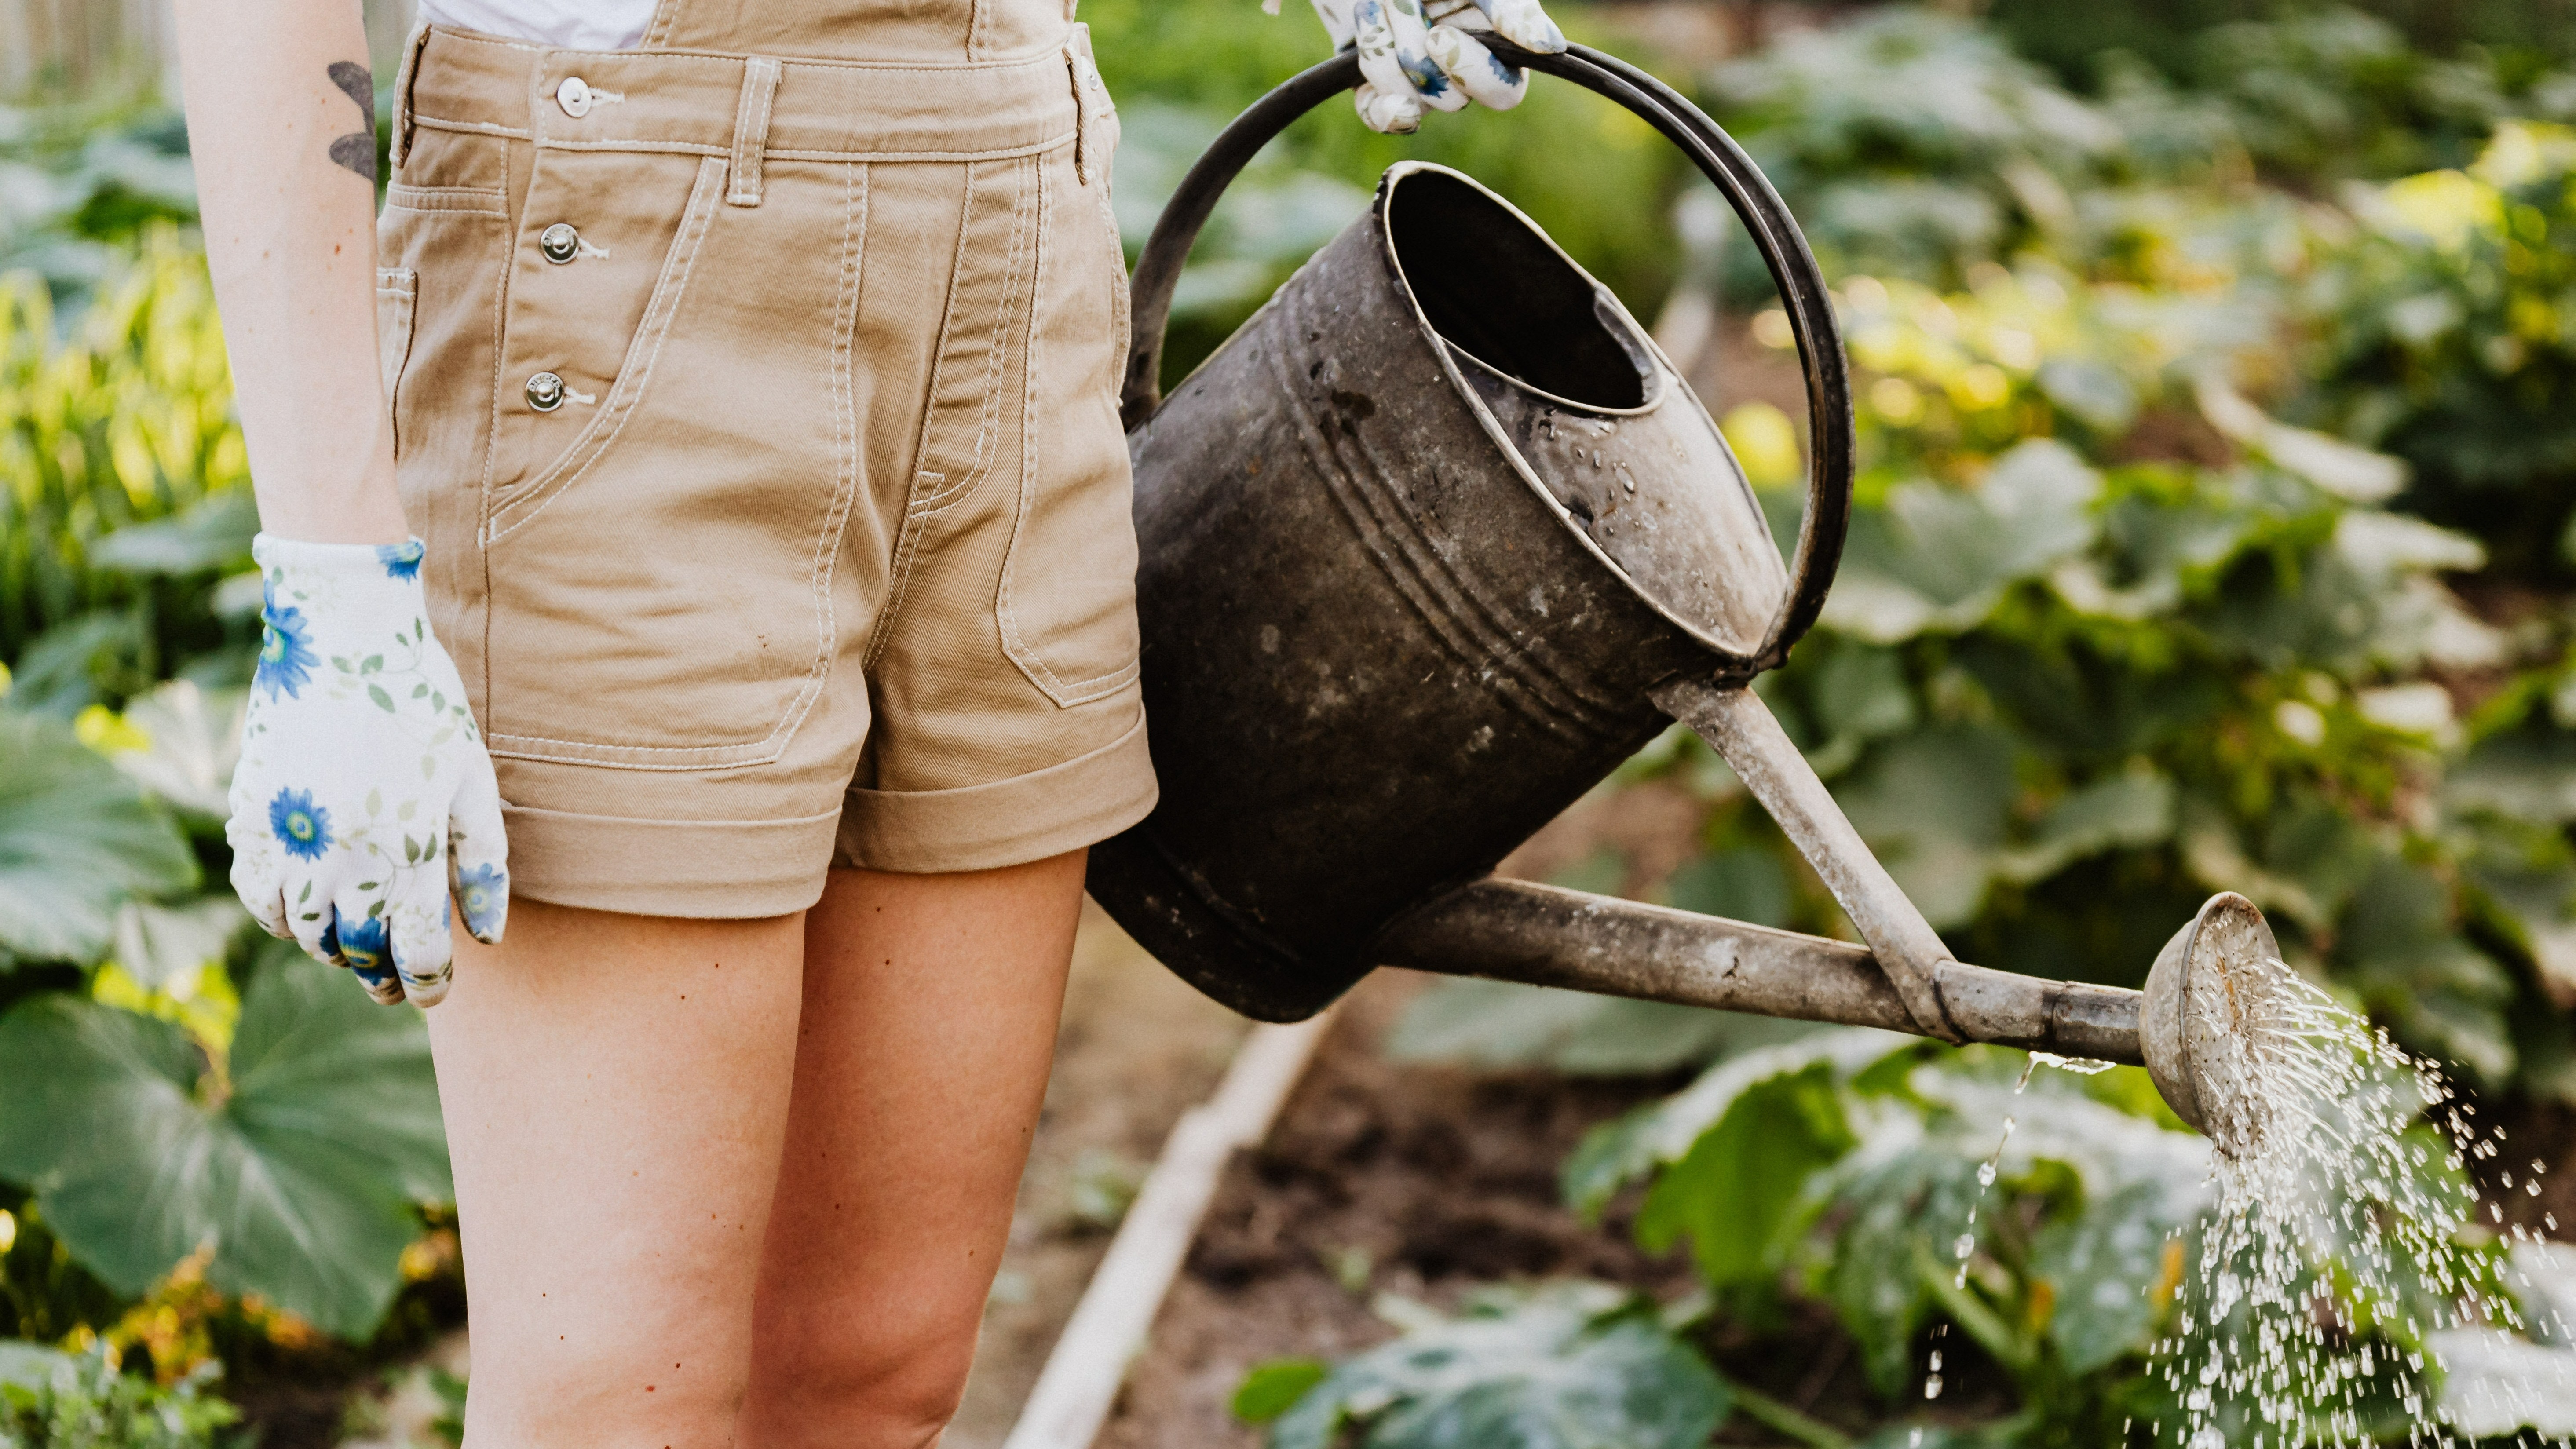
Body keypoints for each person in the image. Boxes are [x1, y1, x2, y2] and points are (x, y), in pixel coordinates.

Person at [178, 0, 1560, 1439]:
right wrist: (334, 576)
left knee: (870, 1372)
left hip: (1018, 222)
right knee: (618, 1394)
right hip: (626, 252)